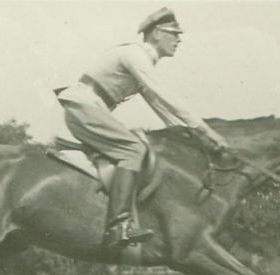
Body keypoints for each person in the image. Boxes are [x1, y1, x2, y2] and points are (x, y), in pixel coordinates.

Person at [56, 7, 229, 253]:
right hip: (84, 106)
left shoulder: (143, 62)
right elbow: (163, 94)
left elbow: (158, 105)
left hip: (87, 107)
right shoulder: (135, 55)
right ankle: (118, 226)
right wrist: (206, 130)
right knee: (133, 150)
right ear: (156, 34)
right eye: (173, 34)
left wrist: (191, 135)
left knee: (134, 148)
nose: (178, 40)